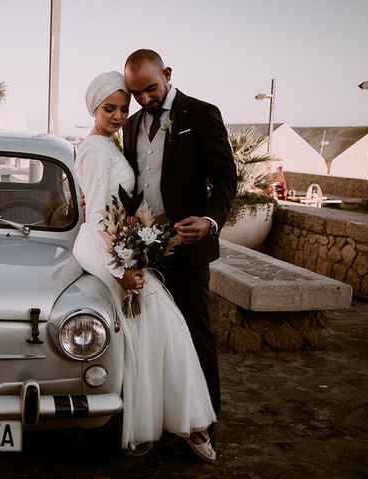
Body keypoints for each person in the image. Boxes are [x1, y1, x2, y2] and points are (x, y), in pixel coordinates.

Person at [72, 70, 218, 461]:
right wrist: (122, 265)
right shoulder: (93, 149)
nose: (119, 115)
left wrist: (135, 235)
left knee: (153, 330)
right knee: (158, 324)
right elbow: (102, 212)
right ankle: (179, 423)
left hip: (120, 241)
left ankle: (178, 421)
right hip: (106, 246)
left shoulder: (111, 142)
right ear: (94, 108)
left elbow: (120, 204)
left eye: (123, 107)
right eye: (109, 109)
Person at [122, 49, 237, 445]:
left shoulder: (202, 114)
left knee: (195, 333)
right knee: (154, 338)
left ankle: (205, 424)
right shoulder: (132, 123)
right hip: (143, 249)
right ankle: (163, 421)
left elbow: (225, 178)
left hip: (188, 250)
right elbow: (134, 183)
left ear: (167, 74)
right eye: (136, 93)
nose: (144, 100)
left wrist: (209, 221)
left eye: (151, 89)